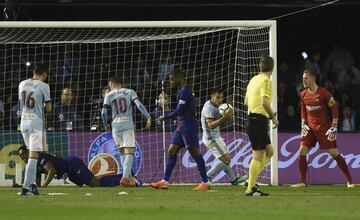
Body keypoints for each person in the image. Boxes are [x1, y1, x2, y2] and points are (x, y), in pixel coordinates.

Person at [290, 69, 354, 188]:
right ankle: (302, 181)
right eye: (303, 78)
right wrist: (303, 123)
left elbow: (334, 109)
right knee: (302, 151)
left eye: (306, 78)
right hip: (309, 128)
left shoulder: (323, 93)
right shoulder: (303, 93)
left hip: (323, 128)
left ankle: (349, 180)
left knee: (334, 153)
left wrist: (334, 126)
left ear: (313, 78)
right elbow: (303, 109)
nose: (303, 80)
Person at [150, 70, 210, 191]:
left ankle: (205, 182)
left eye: (172, 79)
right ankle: (165, 181)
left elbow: (179, 110)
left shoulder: (186, 91)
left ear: (179, 78)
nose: (171, 82)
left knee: (195, 153)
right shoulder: (181, 91)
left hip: (188, 126)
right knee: (172, 150)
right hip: (181, 126)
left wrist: (165, 116)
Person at [101, 75, 151, 187]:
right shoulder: (130, 92)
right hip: (127, 125)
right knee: (130, 152)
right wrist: (148, 117)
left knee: (123, 153)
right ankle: (124, 178)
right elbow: (139, 105)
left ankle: (131, 179)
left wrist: (106, 124)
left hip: (115, 127)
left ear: (112, 84)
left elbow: (103, 112)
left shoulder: (108, 95)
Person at [16, 145, 136, 187]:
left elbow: (51, 171)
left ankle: (126, 177)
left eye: (23, 154)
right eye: (20, 156)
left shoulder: (40, 158)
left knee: (96, 183)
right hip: (70, 173)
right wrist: (26, 186)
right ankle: (126, 177)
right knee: (92, 185)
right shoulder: (33, 163)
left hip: (72, 164)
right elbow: (37, 182)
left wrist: (44, 185)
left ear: (28, 151)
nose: (22, 157)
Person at [244, 55, 278, 196]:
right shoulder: (266, 81)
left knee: (270, 151)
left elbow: (246, 102)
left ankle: (250, 181)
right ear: (272, 67)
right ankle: (250, 188)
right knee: (258, 156)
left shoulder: (253, 79)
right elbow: (264, 101)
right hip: (258, 121)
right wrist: (273, 117)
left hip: (254, 119)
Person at [201, 88, 248, 185]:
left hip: (216, 137)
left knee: (224, 160)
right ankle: (207, 176)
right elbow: (211, 125)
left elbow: (222, 118)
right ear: (212, 97)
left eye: (221, 98)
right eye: (217, 97)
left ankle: (233, 180)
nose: (220, 100)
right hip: (211, 139)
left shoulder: (218, 106)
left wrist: (229, 116)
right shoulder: (208, 108)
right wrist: (224, 118)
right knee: (227, 160)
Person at [18, 63, 52, 196]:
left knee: (32, 155)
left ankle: (32, 185)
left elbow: (22, 103)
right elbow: (48, 108)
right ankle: (26, 188)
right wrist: (43, 104)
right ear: (44, 74)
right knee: (34, 155)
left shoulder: (22, 84)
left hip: (24, 123)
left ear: (34, 72)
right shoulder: (44, 86)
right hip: (36, 123)